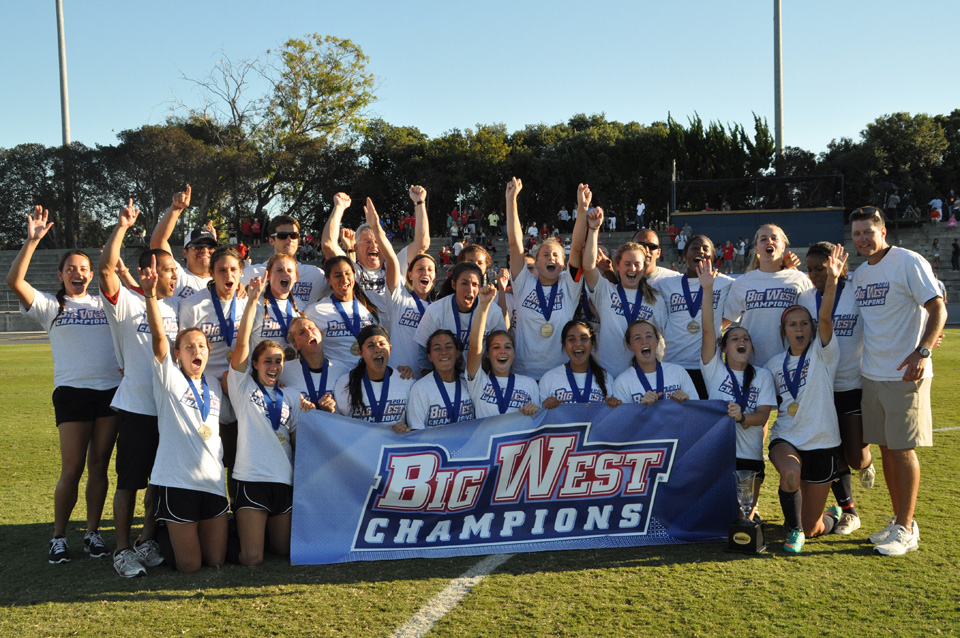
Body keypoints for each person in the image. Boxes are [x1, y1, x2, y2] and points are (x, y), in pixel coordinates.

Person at [6, 207, 121, 564]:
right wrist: (32, 241)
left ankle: (91, 534)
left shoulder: (107, 303)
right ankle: (58, 536)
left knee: (100, 465)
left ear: (92, 275)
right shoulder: (50, 305)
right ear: (60, 274)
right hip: (72, 393)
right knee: (71, 468)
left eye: (84, 269)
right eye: (71, 269)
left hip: (110, 392)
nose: (78, 273)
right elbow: (15, 282)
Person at [849, 206, 946, 556]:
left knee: (903, 449)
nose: (862, 239)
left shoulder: (908, 261)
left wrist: (923, 351)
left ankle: (907, 527)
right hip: (872, 373)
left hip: (907, 373)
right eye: (857, 233)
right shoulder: (860, 274)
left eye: (868, 232)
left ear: (883, 231)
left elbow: (938, 307)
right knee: (887, 448)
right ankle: (898, 520)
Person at [99, 199, 180, 578]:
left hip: (168, 410)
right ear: (150, 271)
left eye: (175, 271)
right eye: (168, 270)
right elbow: (105, 269)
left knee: (158, 481)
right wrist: (123, 227)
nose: (174, 276)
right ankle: (121, 549)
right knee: (130, 482)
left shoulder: (173, 311)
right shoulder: (126, 303)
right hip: (136, 408)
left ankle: (147, 539)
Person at [141, 257, 228, 573]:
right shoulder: (170, 379)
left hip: (213, 483)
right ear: (178, 354)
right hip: (178, 483)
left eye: (202, 346)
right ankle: (160, 537)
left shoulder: (215, 387)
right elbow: (158, 340)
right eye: (189, 347)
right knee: (190, 566)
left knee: (216, 561)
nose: (197, 352)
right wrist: (150, 296)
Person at [764, 244, 846, 553]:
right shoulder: (774, 364)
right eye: (792, 324)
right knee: (789, 473)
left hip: (823, 442)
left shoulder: (824, 353)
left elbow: (825, 319)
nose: (799, 328)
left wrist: (833, 280)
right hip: (787, 436)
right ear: (784, 331)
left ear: (811, 329)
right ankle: (793, 530)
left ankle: (829, 517)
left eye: (803, 324)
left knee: (816, 528)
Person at [799, 242, 873, 536]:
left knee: (854, 457)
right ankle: (849, 510)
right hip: (820, 387)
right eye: (810, 269)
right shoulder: (805, 297)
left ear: (838, 266)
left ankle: (867, 462)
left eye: (821, 268)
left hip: (851, 383)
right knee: (831, 449)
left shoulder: (856, 291)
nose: (815, 274)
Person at [227, 275, 299, 566]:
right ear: (254, 364)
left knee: (282, 551)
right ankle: (225, 535)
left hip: (283, 480)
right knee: (253, 558)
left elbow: (296, 438)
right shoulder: (241, 386)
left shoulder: (291, 396)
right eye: (267, 360)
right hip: (252, 479)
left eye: (278, 361)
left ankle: (250, 531)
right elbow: (243, 342)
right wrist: (253, 301)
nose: (273, 366)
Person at [698, 260, 776, 521]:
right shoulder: (714, 370)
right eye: (735, 338)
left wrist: (742, 416)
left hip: (749, 458)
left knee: (743, 520)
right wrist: (707, 289)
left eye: (745, 339)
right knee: (719, 520)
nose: (741, 341)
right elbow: (709, 330)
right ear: (724, 348)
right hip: (719, 456)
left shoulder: (762, 376)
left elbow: (763, 417)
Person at [178, 247, 248, 500]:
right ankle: (212, 510)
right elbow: (184, 349)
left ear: (241, 272)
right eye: (221, 270)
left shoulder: (248, 301)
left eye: (233, 270)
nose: (228, 275)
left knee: (240, 457)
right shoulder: (193, 305)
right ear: (211, 273)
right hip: (207, 391)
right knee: (209, 455)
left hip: (240, 387)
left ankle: (238, 512)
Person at [505, 177, 585, 379]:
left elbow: (576, 248)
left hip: (560, 374)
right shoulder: (524, 283)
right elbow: (515, 244)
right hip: (524, 374)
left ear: (562, 263)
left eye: (556, 255)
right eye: (545, 255)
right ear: (537, 263)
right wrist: (511, 200)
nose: (551, 258)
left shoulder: (570, 285)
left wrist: (582, 210)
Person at [583, 207, 667, 378]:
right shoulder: (605, 290)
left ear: (643, 269)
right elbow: (588, 266)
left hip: (642, 376)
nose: (632, 268)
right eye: (627, 263)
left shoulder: (655, 299)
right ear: (617, 266)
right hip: (608, 375)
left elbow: (663, 339)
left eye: (637, 264)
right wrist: (593, 229)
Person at [321, 187, 430, 312]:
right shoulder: (350, 270)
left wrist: (420, 202)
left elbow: (422, 243)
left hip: (392, 331)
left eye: (378, 241)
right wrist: (339, 207)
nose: (374, 245)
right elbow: (328, 244)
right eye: (367, 241)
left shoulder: (396, 264)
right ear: (356, 248)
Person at [362, 197, 436, 378]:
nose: (425, 273)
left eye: (430, 270)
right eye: (420, 269)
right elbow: (393, 262)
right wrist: (377, 227)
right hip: (398, 377)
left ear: (435, 277)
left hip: (427, 382)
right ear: (409, 275)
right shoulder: (400, 297)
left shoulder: (438, 308)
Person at [723, 224, 811, 368]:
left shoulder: (798, 279)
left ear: (783, 246)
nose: (769, 242)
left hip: (790, 364)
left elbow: (812, 319)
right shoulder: (743, 282)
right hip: (753, 365)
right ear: (756, 248)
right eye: (763, 239)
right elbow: (725, 320)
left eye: (774, 238)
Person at [658, 235, 734, 398]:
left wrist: (717, 328)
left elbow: (734, 313)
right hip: (674, 362)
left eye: (706, 248)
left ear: (713, 257)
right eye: (694, 247)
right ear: (685, 255)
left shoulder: (725, 283)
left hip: (708, 366)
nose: (700, 251)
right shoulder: (666, 284)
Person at [415, 262, 507, 371]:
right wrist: (433, 383)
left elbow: (503, 345)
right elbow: (422, 351)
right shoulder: (436, 310)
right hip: (446, 379)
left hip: (481, 378)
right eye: (464, 283)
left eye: (475, 284)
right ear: (454, 284)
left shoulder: (493, 310)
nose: (470, 289)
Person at [466, 285, 540, 417]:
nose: (502, 351)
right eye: (496, 347)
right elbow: (474, 347)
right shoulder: (478, 381)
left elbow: (538, 422)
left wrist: (534, 412)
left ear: (514, 353)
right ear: (487, 354)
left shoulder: (530, 384)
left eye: (507, 347)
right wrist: (483, 305)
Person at [305, 255, 380, 370]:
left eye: (347, 273)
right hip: (332, 377)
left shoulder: (368, 307)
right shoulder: (315, 311)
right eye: (337, 275)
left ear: (354, 276)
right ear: (328, 280)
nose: (344, 279)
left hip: (366, 375)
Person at [333, 325, 414, 432]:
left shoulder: (405, 380)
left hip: (393, 446)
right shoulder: (345, 383)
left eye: (382, 344)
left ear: (390, 348)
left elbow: (415, 426)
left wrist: (405, 427)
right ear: (360, 352)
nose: (377, 349)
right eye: (371, 345)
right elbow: (338, 427)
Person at [245, 254, 307, 388]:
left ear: (295, 278)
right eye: (279, 270)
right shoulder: (256, 305)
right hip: (260, 380)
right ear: (268, 276)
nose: (285, 273)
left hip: (293, 379)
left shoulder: (301, 306)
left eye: (290, 271)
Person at [240, 214, 329, 306]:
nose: (289, 239)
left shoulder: (315, 274)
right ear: (271, 241)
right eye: (282, 235)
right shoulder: (249, 274)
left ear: (298, 240)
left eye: (293, 235)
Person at [149, 185, 216, 300]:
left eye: (210, 246)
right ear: (185, 252)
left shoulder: (225, 279)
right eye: (198, 246)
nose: (205, 250)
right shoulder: (178, 277)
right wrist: (175, 208)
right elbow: (158, 242)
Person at [539, 320, 621, 408]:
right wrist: (545, 407)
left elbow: (611, 417)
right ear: (564, 345)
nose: (578, 344)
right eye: (572, 339)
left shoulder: (607, 378)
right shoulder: (549, 379)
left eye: (584, 339)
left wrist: (614, 405)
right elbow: (540, 418)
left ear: (592, 344)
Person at [612, 320, 696, 405]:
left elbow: (697, 411)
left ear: (657, 341)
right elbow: (622, 417)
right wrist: (641, 407)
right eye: (638, 338)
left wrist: (687, 401)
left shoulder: (678, 372)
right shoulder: (621, 383)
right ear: (629, 346)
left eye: (649, 336)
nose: (644, 341)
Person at [407, 330, 476, 428]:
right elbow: (416, 432)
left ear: (457, 353)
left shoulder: (469, 383)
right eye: (437, 348)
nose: (444, 352)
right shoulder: (420, 389)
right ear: (429, 357)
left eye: (448, 347)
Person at [284, 316, 348, 415]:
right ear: (296, 345)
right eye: (302, 332)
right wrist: (276, 382)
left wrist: (330, 411)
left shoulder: (342, 370)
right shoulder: (285, 371)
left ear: (321, 334)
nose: (309, 333)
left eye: (311, 328)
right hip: (300, 429)